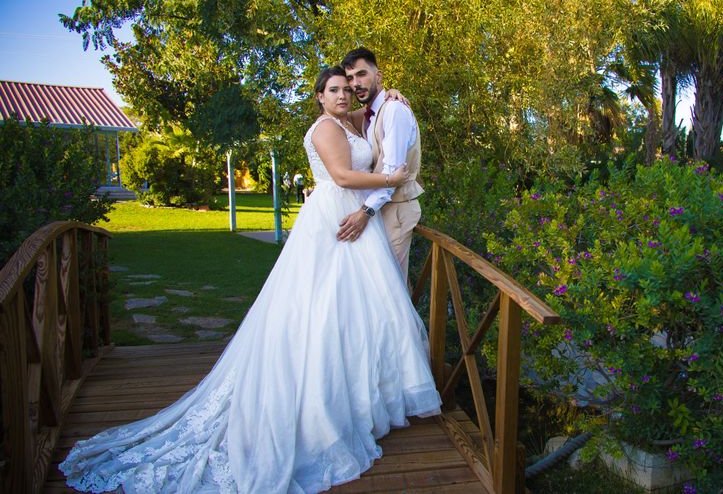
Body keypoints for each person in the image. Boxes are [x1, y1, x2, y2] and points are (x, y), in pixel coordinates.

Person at [58, 66, 442, 493]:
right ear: (318, 96)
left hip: (357, 219)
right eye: (333, 89)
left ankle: (363, 403)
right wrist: (391, 178)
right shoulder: (324, 129)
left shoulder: (351, 120)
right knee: (320, 310)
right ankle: (319, 409)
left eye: (346, 89)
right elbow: (343, 177)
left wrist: (393, 97)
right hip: (335, 216)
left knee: (360, 312)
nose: (342, 95)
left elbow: (373, 115)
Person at [338, 47, 422, 281]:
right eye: (351, 78)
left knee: (391, 291)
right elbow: (335, 115)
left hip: (395, 209)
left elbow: (393, 175)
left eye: (362, 74)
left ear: (379, 76)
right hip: (379, 211)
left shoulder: (394, 110)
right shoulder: (370, 114)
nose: (356, 83)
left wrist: (364, 213)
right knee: (374, 289)